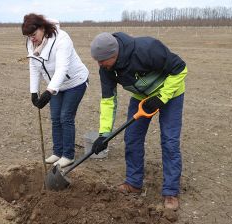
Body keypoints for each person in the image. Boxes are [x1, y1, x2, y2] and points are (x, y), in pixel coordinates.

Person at [90, 32, 187, 210]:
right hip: (142, 97)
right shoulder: (107, 70)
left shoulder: (147, 49)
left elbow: (181, 68)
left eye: (102, 60)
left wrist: (162, 97)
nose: (100, 64)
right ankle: (133, 183)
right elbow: (108, 100)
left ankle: (170, 192)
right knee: (132, 138)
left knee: (169, 141)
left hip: (171, 94)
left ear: (114, 54)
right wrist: (103, 134)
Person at [22, 13, 89, 168]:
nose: (32, 39)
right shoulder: (31, 43)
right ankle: (57, 152)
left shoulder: (62, 39)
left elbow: (61, 68)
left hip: (75, 82)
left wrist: (48, 91)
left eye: (33, 35)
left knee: (65, 117)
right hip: (55, 85)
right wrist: (34, 92)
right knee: (55, 117)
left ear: (43, 28)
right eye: (28, 36)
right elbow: (33, 66)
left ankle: (68, 155)